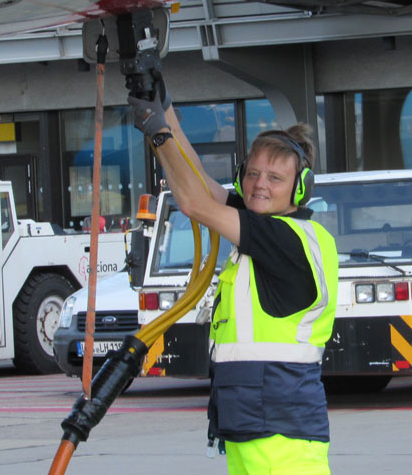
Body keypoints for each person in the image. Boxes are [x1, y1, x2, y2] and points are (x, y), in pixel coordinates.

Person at [128, 78, 339, 475]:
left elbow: (192, 203)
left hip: (283, 437)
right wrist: (165, 107)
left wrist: (157, 132)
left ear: (300, 190)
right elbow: (202, 188)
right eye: (253, 173)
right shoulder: (269, 224)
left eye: (275, 178)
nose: (260, 185)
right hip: (252, 423)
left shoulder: (282, 238)